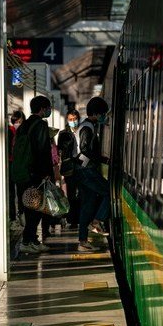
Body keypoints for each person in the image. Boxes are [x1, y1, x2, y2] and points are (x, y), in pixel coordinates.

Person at [16, 96, 55, 254]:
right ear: (42, 109)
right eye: (48, 108)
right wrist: (46, 173)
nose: (49, 110)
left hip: (23, 172)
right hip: (36, 173)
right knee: (36, 208)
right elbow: (42, 152)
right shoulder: (40, 125)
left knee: (30, 207)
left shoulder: (23, 126)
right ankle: (28, 241)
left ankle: (31, 240)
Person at [76, 97, 111, 252]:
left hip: (83, 170)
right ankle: (97, 221)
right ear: (96, 113)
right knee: (109, 192)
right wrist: (101, 159)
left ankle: (82, 241)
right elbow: (84, 150)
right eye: (103, 114)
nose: (104, 117)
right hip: (86, 170)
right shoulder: (87, 128)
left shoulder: (88, 126)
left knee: (88, 206)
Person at [57, 109, 81, 229]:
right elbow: (61, 149)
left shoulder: (82, 130)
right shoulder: (63, 134)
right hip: (69, 167)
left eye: (75, 119)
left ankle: (79, 216)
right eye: (70, 120)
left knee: (80, 192)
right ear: (67, 120)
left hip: (81, 166)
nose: (73, 122)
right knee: (71, 193)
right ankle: (72, 219)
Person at [7, 110, 25, 227]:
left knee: (17, 192)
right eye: (17, 121)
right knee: (15, 192)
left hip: (15, 164)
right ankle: (16, 216)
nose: (18, 123)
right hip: (14, 164)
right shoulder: (11, 131)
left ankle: (17, 216)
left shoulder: (14, 131)